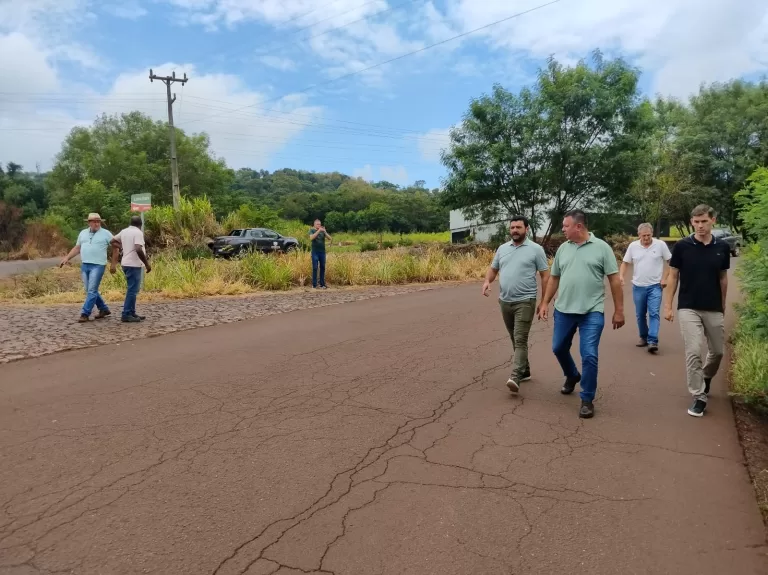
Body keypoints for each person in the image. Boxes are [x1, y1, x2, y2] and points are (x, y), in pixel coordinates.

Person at [537, 210, 625, 419]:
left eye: (566, 226)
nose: (563, 230)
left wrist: (619, 311)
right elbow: (554, 278)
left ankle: (587, 398)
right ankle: (572, 375)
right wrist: (545, 302)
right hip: (564, 310)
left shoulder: (602, 248)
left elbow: (614, 280)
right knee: (558, 348)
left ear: (579, 227)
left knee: (589, 355)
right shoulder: (562, 250)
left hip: (591, 311)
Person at [663, 204, 730, 418]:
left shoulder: (722, 247)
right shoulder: (683, 246)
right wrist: (668, 306)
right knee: (693, 350)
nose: (700, 225)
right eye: (696, 221)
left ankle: (706, 377)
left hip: (713, 307)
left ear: (713, 221)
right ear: (692, 222)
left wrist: (723, 304)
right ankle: (699, 395)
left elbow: (723, 278)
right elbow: (673, 276)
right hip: (688, 307)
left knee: (718, 351)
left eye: (704, 221)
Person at [482, 216, 550, 393]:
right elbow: (494, 268)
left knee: (520, 339)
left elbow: (545, 275)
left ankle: (515, 375)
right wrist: (487, 281)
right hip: (505, 301)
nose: (514, 230)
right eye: (512, 227)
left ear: (526, 229)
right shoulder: (503, 248)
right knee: (514, 337)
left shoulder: (536, 250)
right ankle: (525, 370)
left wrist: (544, 301)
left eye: (518, 227)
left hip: (525, 301)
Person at [619, 223, 672, 353]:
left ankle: (653, 340)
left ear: (652, 234)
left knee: (654, 313)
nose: (646, 238)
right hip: (638, 286)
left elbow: (671, 263)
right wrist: (621, 276)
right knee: (640, 314)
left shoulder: (660, 245)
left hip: (655, 286)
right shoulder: (633, 246)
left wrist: (665, 277)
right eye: (644, 236)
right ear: (639, 235)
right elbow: (625, 263)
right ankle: (644, 337)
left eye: (648, 235)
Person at [60, 213, 113, 323]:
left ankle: (85, 313)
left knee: (92, 290)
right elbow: (77, 248)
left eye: (98, 221)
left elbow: (116, 246)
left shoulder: (106, 234)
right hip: (85, 265)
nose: (97, 223)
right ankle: (103, 309)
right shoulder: (83, 233)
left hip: (98, 265)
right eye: (94, 221)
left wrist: (114, 263)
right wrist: (67, 258)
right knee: (89, 290)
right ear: (89, 223)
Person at [110, 215, 152, 323]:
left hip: (125, 263)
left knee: (132, 289)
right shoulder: (138, 232)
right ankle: (126, 313)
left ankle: (132, 312)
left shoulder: (124, 231)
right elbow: (138, 248)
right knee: (132, 290)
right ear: (140, 224)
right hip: (133, 264)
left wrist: (123, 247)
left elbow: (112, 241)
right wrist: (146, 263)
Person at [309, 219, 332, 289]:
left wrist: (325, 232)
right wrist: (319, 231)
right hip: (315, 252)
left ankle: (322, 284)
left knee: (322, 267)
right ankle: (314, 284)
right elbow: (311, 238)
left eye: (320, 224)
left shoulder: (323, 231)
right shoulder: (312, 230)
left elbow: (330, 238)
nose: (319, 225)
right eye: (317, 224)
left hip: (322, 252)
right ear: (314, 225)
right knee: (315, 267)